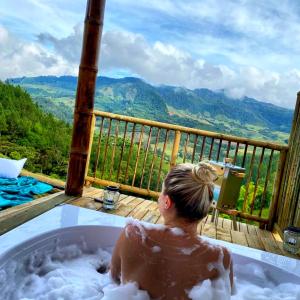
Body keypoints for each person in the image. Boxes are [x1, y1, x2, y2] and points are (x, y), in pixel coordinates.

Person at [110, 162, 233, 299]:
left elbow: (113, 279)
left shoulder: (133, 234)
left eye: (162, 192)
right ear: (205, 208)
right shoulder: (221, 257)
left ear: (167, 202)